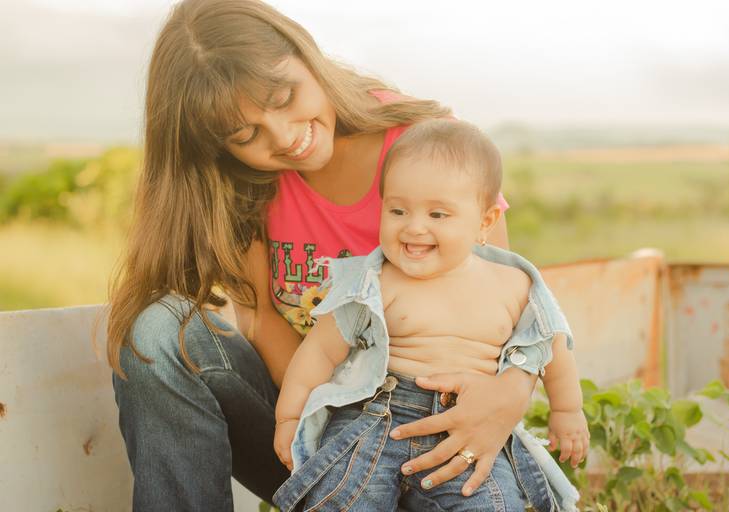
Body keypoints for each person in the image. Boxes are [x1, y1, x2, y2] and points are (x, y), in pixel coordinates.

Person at [107, 0, 572, 510]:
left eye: (285, 97)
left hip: (448, 441)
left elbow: (506, 310)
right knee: (155, 332)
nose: (285, 137)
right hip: (319, 433)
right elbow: (262, 321)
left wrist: (509, 398)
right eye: (245, 135)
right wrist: (341, 436)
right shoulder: (244, 183)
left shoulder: (426, 146)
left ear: (305, 54)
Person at [271, 120, 588, 512]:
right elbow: (320, 351)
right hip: (377, 418)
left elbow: (552, 346)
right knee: (341, 499)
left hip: (471, 425)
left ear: (485, 222)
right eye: (398, 210)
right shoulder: (375, 282)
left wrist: (567, 410)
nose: (414, 227)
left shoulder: (515, 285)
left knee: (493, 504)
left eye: (438, 215)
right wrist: (289, 417)